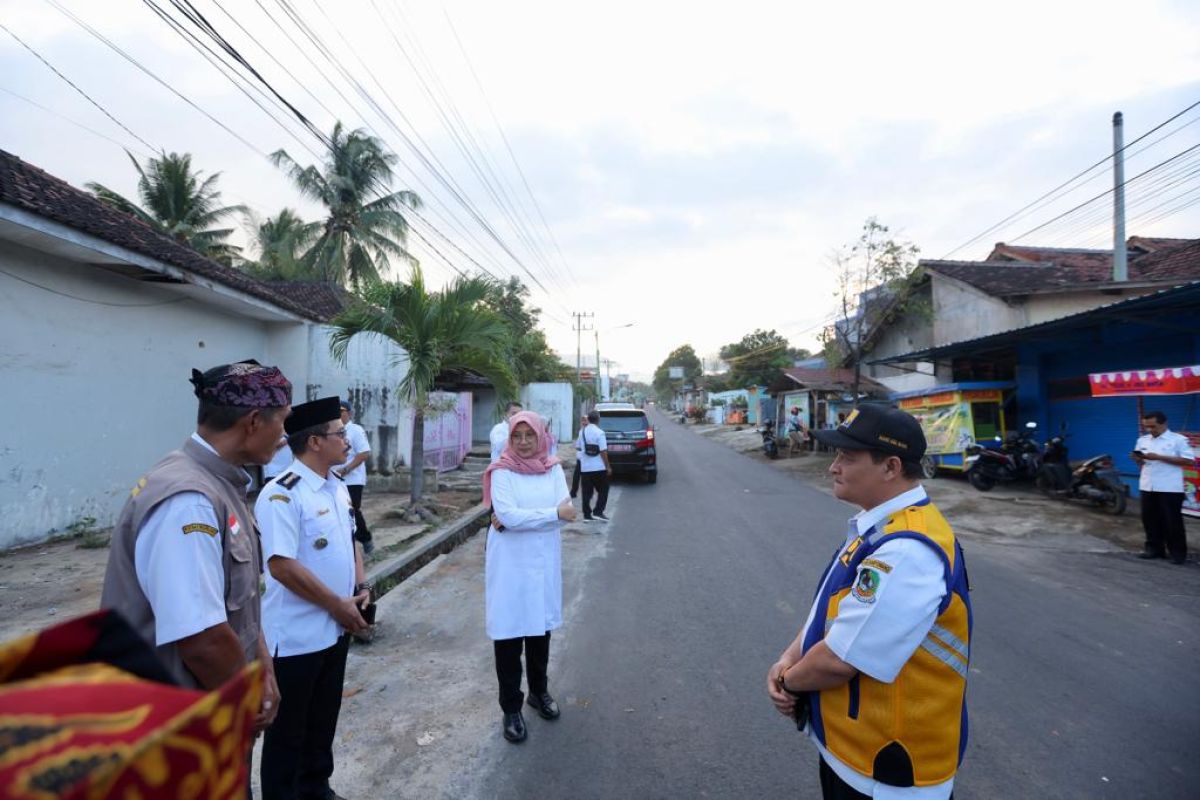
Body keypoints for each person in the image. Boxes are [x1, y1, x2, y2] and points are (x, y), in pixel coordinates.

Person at [100, 360, 291, 790]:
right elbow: (202, 640)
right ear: (253, 421)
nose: (284, 437)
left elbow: (238, 603)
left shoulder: (220, 486)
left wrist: (263, 671)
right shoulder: (188, 500)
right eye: (282, 422)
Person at [766, 404, 972, 800]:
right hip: (854, 750)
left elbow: (840, 659)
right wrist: (788, 657)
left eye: (847, 456)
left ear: (891, 467)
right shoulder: (878, 527)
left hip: (889, 771)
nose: (833, 467)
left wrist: (785, 682)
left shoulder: (908, 549)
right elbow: (829, 612)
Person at [256, 396, 371, 800]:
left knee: (323, 719)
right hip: (296, 638)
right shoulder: (281, 495)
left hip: (334, 630)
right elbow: (282, 567)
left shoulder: (336, 487)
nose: (348, 441)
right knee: (289, 732)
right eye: (340, 434)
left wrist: (360, 587)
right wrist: (335, 605)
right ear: (315, 442)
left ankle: (316, 787)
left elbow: (351, 540)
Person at [483, 411, 576, 743]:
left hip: (542, 562)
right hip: (509, 565)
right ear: (509, 439)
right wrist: (549, 514)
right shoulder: (501, 471)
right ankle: (511, 708)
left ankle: (539, 693)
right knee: (508, 636)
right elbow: (508, 513)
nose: (523, 443)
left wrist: (521, 520)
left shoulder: (552, 468)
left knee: (540, 633)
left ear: (540, 436)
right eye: (517, 436)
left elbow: (568, 514)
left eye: (529, 436)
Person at [1134, 410, 1195, 565]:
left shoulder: (1178, 440)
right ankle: (1154, 549)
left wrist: (1160, 457)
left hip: (1170, 487)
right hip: (1148, 485)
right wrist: (1138, 459)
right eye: (1146, 427)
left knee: (1172, 522)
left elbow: (1188, 461)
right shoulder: (1143, 440)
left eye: (1153, 426)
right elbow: (1141, 462)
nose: (1150, 430)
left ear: (1163, 423)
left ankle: (1177, 553)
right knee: (1149, 520)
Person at [335, 400, 374, 555]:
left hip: (352, 480)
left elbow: (364, 453)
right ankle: (347, 545)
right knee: (338, 512)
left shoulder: (355, 430)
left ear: (349, 413)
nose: (338, 415)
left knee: (352, 511)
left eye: (341, 412)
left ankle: (365, 540)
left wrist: (346, 470)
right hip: (334, 478)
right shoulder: (331, 430)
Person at [576, 410, 612, 522]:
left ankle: (587, 516)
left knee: (586, 492)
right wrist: (608, 466)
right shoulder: (600, 433)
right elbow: (603, 451)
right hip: (599, 467)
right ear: (598, 419)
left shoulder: (582, 432)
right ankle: (598, 512)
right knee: (603, 489)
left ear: (589, 419)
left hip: (585, 467)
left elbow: (578, 447)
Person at [570, 413, 588, 499]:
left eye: (585, 420)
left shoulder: (583, 431)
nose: (584, 422)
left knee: (579, 476)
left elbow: (578, 445)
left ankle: (574, 492)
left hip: (583, 457)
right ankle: (574, 492)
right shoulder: (581, 431)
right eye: (583, 420)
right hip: (582, 457)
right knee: (578, 475)